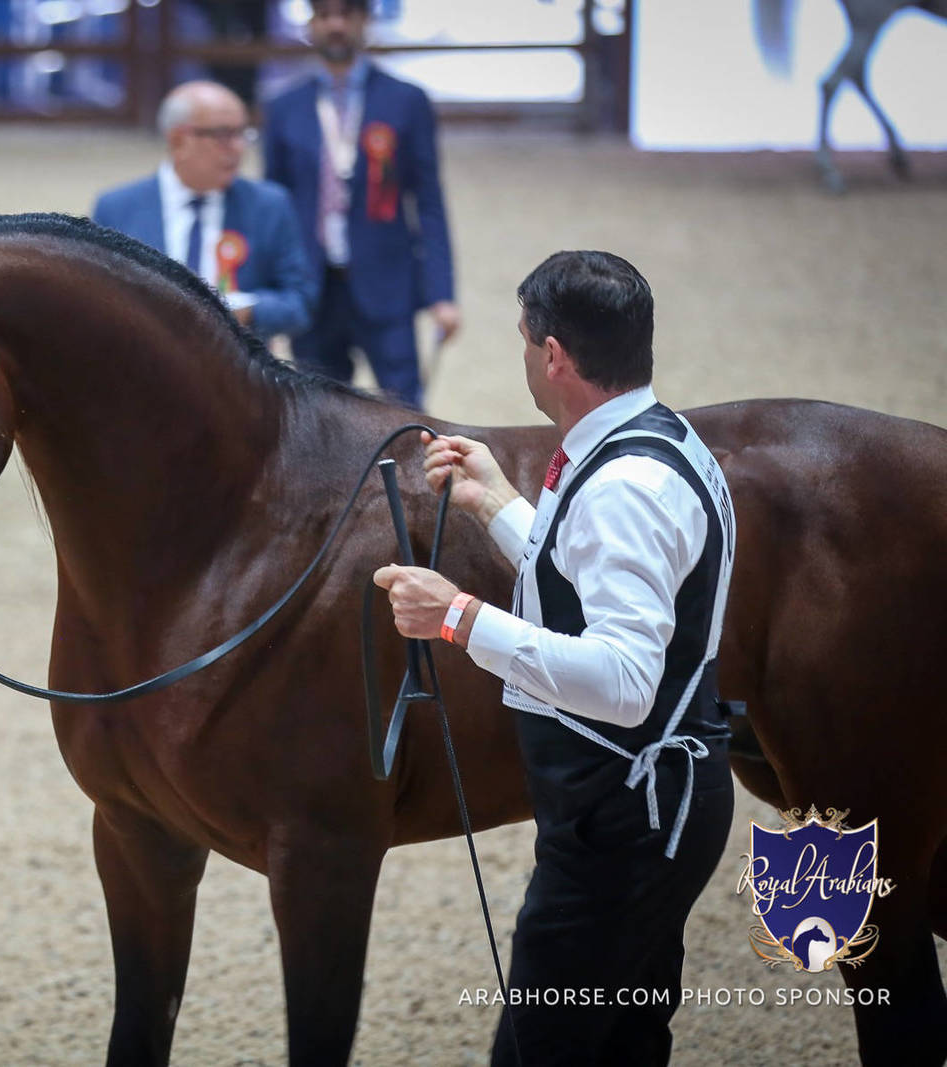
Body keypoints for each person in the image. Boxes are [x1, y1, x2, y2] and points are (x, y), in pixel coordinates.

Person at [373, 252, 736, 1065]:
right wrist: (497, 501)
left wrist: (458, 616)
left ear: (553, 356)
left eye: (524, 337)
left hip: (622, 824)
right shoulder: (656, 438)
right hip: (651, 808)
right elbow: (585, 575)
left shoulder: (623, 486)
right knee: (624, 1046)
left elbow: (625, 682)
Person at [262, 0, 459, 409]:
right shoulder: (283, 108)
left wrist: (442, 293)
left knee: (404, 410)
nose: (336, 25)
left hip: (386, 284)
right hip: (312, 289)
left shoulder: (406, 101)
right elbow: (273, 209)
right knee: (319, 416)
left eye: (346, 14)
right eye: (324, 15)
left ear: (365, 22)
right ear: (311, 25)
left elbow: (428, 202)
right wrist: (273, 292)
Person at [93, 80, 317, 341]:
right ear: (178, 140)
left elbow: (300, 303)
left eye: (243, 133)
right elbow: (98, 300)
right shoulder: (117, 208)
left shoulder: (269, 204)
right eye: (223, 135)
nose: (238, 148)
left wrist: (248, 312)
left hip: (237, 372)